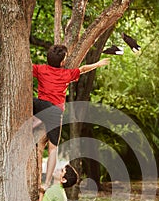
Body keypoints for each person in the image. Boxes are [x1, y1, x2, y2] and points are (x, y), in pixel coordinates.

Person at [33, 44, 110, 191]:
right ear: (62, 63)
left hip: (41, 109)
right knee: (52, 148)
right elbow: (83, 69)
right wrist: (98, 64)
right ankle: (46, 183)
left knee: (39, 145)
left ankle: (36, 180)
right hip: (55, 112)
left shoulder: (40, 69)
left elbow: (27, 66)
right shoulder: (66, 74)